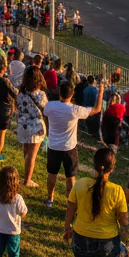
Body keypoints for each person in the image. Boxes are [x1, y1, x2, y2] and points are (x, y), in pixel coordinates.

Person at [64, 146, 129, 257]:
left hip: (81, 238)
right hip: (107, 243)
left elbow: (70, 209)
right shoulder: (117, 190)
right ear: (112, 168)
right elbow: (124, 221)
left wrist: (67, 228)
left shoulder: (80, 184)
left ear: (94, 165)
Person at [44, 79, 104, 208]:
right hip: (69, 148)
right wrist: (101, 90)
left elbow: (45, 115)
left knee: (52, 173)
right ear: (72, 94)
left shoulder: (50, 106)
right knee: (70, 176)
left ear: (60, 92)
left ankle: (50, 198)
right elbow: (97, 109)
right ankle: (70, 201)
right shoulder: (75, 110)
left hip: (53, 145)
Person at [16, 66, 49, 188]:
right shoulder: (41, 95)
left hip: (22, 126)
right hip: (36, 128)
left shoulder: (20, 94)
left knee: (26, 151)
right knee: (32, 155)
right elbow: (46, 111)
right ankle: (28, 179)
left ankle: (26, 172)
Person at [0, 165, 28, 257]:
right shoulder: (18, 198)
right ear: (16, 182)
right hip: (13, 231)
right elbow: (23, 212)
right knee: (13, 255)